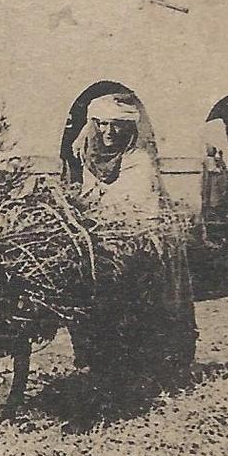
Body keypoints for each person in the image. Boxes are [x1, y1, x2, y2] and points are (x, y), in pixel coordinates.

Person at [70, 93, 197, 402]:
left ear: (129, 130)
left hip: (141, 243)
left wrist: (118, 230)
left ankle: (149, 373)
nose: (109, 133)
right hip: (103, 244)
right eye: (102, 125)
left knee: (144, 306)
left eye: (117, 126)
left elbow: (145, 211)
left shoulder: (139, 161)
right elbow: (89, 199)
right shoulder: (90, 158)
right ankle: (100, 367)